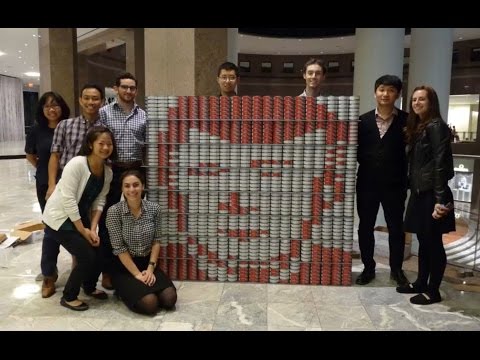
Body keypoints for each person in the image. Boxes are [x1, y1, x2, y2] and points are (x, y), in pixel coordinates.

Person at [40, 84, 105, 298]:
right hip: (65, 185)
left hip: (88, 188)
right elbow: (55, 156)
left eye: (95, 98)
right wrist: (51, 185)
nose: (90, 102)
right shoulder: (66, 125)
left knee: (83, 233)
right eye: (86, 98)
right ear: (79, 100)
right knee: (52, 234)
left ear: (102, 101)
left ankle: (82, 274)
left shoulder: (104, 127)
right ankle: (49, 275)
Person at [42, 126, 116, 311]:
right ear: (90, 145)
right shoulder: (77, 163)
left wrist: (92, 228)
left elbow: (100, 201)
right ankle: (69, 296)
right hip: (59, 219)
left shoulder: (108, 172)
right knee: (86, 255)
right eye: (101, 143)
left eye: (109, 144)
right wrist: (82, 230)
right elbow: (67, 199)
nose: (106, 147)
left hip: (80, 219)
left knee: (100, 250)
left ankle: (89, 287)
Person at [397, 85, 455, 305]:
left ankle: (434, 290)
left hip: (433, 194)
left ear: (431, 102)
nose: (417, 103)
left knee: (433, 243)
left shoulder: (436, 126)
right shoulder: (420, 126)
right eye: (414, 100)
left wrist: (440, 200)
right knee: (423, 240)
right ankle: (421, 282)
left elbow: (441, 164)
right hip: (420, 192)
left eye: (422, 99)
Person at [355, 74, 409, 286]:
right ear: (375, 92)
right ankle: (368, 268)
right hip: (367, 183)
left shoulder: (407, 120)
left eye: (391, 90)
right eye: (381, 89)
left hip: (395, 184)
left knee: (396, 227)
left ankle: (396, 269)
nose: (385, 94)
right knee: (365, 227)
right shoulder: (362, 120)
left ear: (398, 94)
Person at [98, 72, 146, 290]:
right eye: (124, 87)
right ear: (116, 88)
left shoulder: (143, 115)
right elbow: (99, 141)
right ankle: (108, 270)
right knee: (108, 221)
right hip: (112, 169)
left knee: (136, 220)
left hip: (136, 170)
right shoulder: (105, 113)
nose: (128, 91)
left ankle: (135, 265)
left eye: (132, 88)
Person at [106, 170, 177, 315]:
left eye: (136, 185)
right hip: (124, 267)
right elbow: (119, 249)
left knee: (169, 299)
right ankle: (123, 290)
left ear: (142, 186)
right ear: (122, 189)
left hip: (147, 263)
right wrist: (138, 275)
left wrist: (150, 269)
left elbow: (157, 241)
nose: (132, 190)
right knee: (150, 304)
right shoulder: (114, 212)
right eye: (127, 186)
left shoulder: (154, 209)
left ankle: (144, 289)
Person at [25, 92, 70, 282]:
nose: (52, 109)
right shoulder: (36, 130)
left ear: (62, 107)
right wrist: (43, 169)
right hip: (46, 185)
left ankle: (80, 267)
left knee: (75, 225)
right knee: (51, 227)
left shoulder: (70, 126)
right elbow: (30, 155)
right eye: (47, 106)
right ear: (42, 109)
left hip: (69, 183)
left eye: (55, 105)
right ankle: (49, 272)